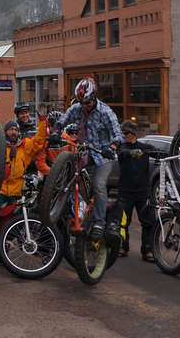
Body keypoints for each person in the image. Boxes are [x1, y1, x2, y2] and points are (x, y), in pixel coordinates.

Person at [54, 77, 123, 241]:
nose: (84, 106)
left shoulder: (106, 112)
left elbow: (118, 134)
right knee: (74, 183)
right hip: (84, 155)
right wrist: (56, 132)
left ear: (94, 98)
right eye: (81, 103)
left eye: (87, 103)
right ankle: (71, 214)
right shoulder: (77, 108)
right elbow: (63, 120)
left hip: (102, 157)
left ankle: (99, 222)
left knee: (99, 185)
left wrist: (112, 147)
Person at [0, 117, 47, 238]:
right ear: (5, 131)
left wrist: (42, 120)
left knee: (19, 220)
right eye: (11, 129)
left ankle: (5, 246)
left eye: (16, 130)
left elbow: (39, 141)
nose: (14, 132)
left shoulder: (24, 145)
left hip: (16, 191)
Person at [113, 120, 156, 261]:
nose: (122, 136)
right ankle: (122, 247)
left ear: (131, 134)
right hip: (125, 190)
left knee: (148, 221)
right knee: (123, 222)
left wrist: (164, 154)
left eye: (124, 133)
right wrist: (133, 153)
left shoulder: (144, 147)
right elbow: (123, 153)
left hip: (143, 190)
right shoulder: (121, 147)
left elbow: (156, 152)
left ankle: (148, 250)